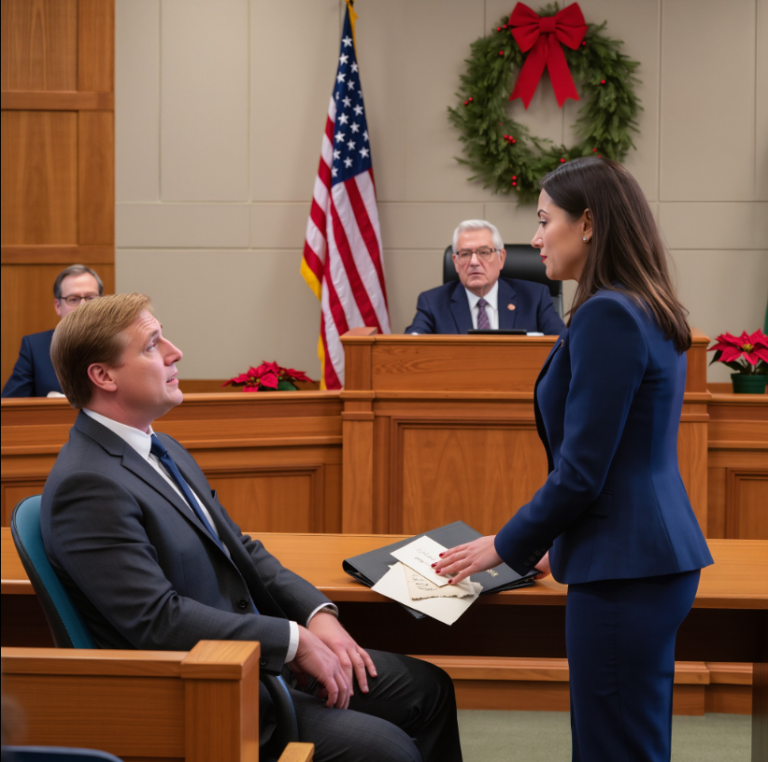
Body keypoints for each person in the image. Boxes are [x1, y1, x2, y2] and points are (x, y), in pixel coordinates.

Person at [40, 293, 461, 762]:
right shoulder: (88, 484)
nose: (174, 353)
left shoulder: (162, 446)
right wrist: (294, 641)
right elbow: (157, 621)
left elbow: (239, 547)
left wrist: (317, 615)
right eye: (152, 345)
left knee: (429, 688)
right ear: (103, 376)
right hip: (206, 690)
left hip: (255, 660)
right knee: (389, 750)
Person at [435, 158, 713, 762]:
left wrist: (503, 545)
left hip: (624, 569)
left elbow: (584, 471)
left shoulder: (607, 314)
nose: (533, 240)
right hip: (640, 557)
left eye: (543, 221)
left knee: (612, 748)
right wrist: (545, 543)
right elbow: (615, 460)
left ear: (587, 223)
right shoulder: (641, 304)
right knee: (628, 741)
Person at [405, 220, 564, 335]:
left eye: (483, 252)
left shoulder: (535, 297)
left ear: (501, 258)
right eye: (465, 254)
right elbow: (411, 346)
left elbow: (562, 344)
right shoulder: (432, 303)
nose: (474, 262)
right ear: (455, 262)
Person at [2, 264, 103, 398]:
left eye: (91, 298)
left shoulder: (120, 343)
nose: (83, 306)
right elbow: (10, 407)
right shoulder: (35, 347)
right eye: (73, 299)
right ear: (58, 306)